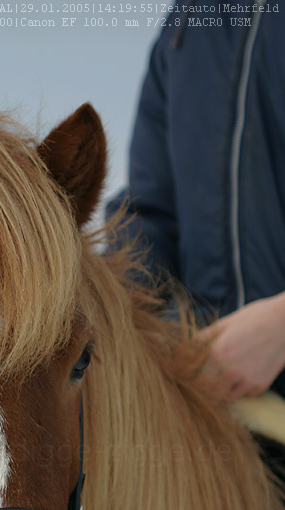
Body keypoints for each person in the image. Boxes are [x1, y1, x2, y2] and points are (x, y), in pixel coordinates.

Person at [107, 6, 285, 405]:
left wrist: (279, 327)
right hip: (216, 405)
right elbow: (148, 212)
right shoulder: (189, 23)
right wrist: (114, 315)